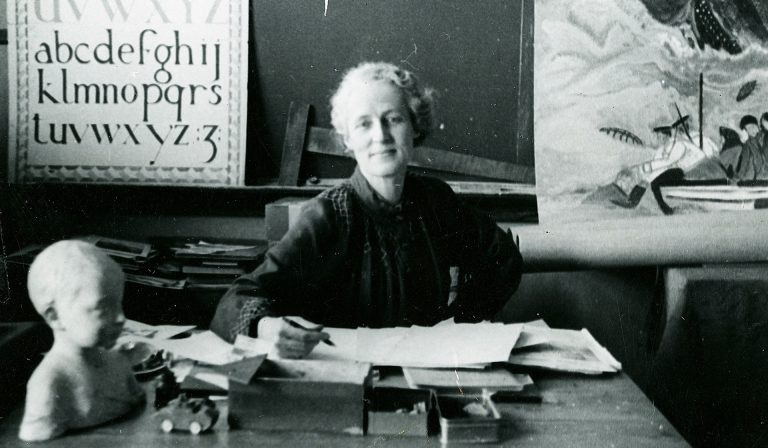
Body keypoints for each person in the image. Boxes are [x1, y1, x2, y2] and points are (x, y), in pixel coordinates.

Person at [210, 62, 523, 358]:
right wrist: (266, 328)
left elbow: (503, 258)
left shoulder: (435, 200)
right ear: (348, 139)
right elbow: (238, 298)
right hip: (346, 379)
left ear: (415, 126)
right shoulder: (328, 215)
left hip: (429, 370)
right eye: (364, 124)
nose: (381, 136)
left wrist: (461, 322)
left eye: (393, 119)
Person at [19, 240, 144, 442]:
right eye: (103, 307)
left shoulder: (118, 362)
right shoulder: (50, 382)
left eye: (118, 303)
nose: (121, 318)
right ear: (55, 317)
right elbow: (37, 434)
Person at [734, 114, 768, 181]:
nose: (751, 130)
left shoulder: (762, 138)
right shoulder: (746, 144)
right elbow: (742, 167)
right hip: (753, 180)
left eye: (753, 126)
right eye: (748, 128)